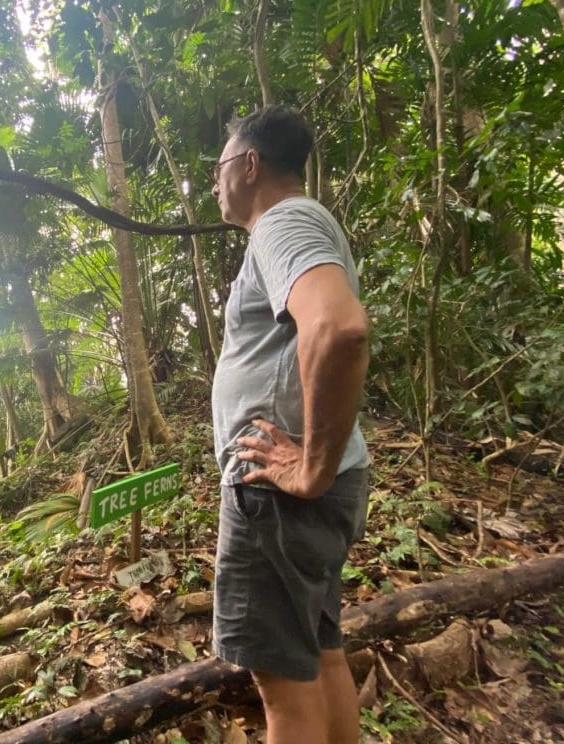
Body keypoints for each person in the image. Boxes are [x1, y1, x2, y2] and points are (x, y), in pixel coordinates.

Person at [209, 105, 370, 744]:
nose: (215, 184)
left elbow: (338, 328)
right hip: (305, 498)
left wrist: (309, 468)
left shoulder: (283, 222)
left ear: (250, 164)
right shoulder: (297, 225)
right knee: (321, 657)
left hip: (279, 501)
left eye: (219, 167)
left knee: (284, 692)